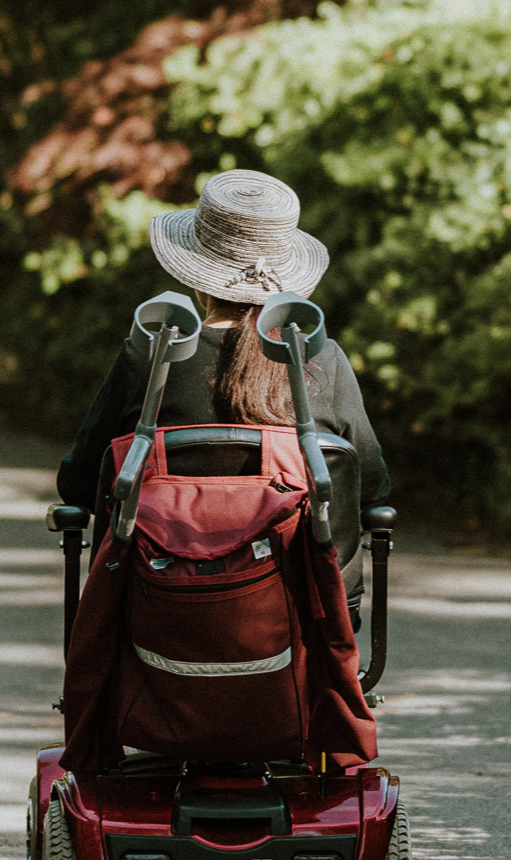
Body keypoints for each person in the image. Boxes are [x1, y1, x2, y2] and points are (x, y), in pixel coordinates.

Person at [57, 170, 389, 597]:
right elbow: (371, 490)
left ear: (197, 276)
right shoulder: (322, 360)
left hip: (153, 601)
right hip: (301, 608)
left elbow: (80, 484)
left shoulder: (148, 357)